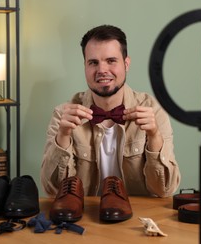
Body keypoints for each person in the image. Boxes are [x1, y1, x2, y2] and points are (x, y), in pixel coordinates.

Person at [41, 25, 181, 199]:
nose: (102, 70)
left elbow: (164, 190)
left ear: (126, 64)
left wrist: (154, 136)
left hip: (139, 219)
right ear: (85, 66)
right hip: (83, 217)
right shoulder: (64, 114)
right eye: (93, 62)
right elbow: (53, 191)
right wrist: (62, 136)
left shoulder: (153, 110)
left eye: (111, 61)